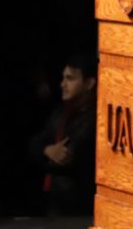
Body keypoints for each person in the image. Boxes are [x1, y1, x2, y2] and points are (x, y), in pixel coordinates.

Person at [29, 53, 98, 215]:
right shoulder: (60, 114)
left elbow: (68, 157)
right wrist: (47, 150)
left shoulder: (95, 118)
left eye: (70, 79)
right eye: (63, 78)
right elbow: (34, 144)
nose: (62, 84)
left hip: (80, 207)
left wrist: (48, 154)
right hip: (55, 203)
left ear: (89, 83)